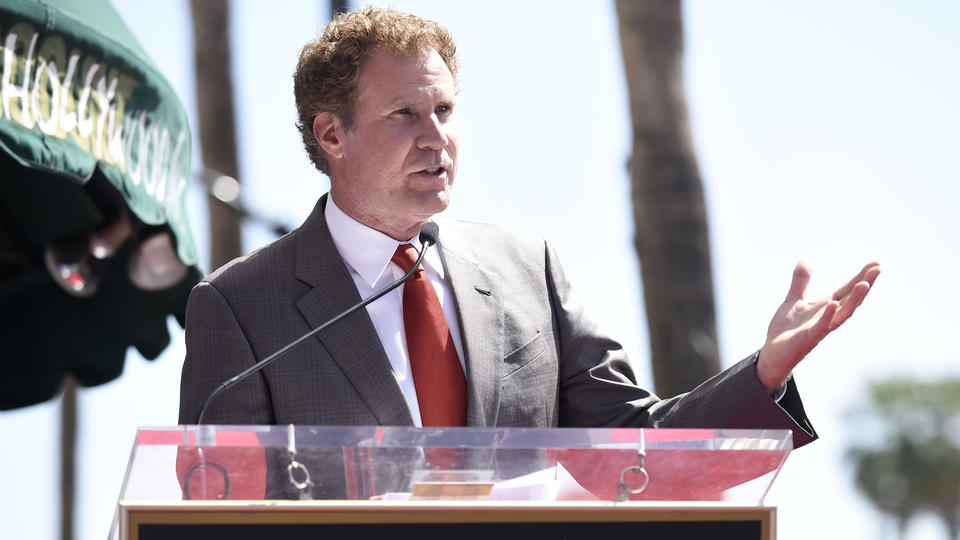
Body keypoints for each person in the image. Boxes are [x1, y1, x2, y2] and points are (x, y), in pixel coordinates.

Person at [178, 7, 880, 451]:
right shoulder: (241, 307)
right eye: (405, 115)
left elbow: (637, 445)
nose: (436, 138)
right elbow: (219, 508)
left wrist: (763, 375)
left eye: (445, 111)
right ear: (332, 134)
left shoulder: (527, 271)